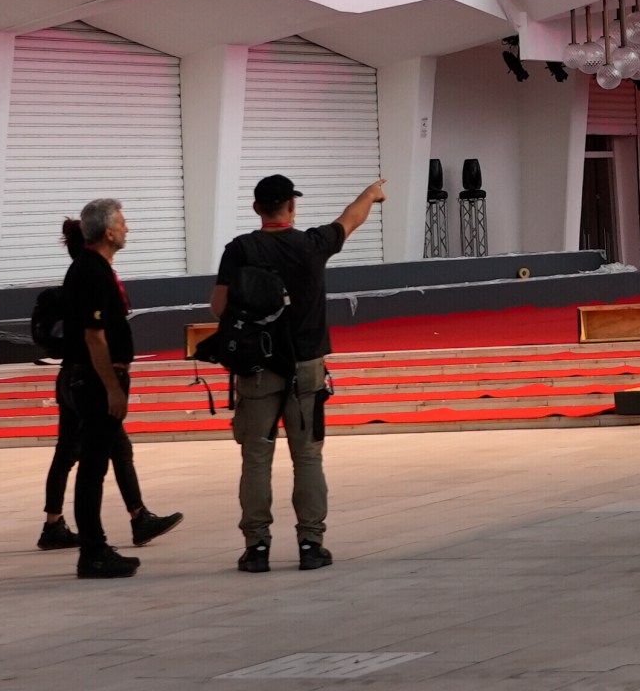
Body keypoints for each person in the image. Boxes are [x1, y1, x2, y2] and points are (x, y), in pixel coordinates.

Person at [211, 173, 384, 573]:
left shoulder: (239, 250)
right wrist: (370, 194)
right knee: (307, 457)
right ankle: (310, 543)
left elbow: (219, 307)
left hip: (257, 366)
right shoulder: (312, 245)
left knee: (256, 457)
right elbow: (350, 219)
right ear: (292, 206)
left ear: (257, 208)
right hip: (306, 365)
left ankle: (256, 548)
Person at [39, 210, 182, 553]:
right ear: (106, 232)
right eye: (121, 222)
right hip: (92, 379)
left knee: (93, 454)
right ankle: (95, 545)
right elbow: (95, 337)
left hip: (75, 377)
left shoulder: (85, 270)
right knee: (94, 463)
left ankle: (124, 521)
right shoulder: (92, 273)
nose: (127, 227)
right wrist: (113, 387)